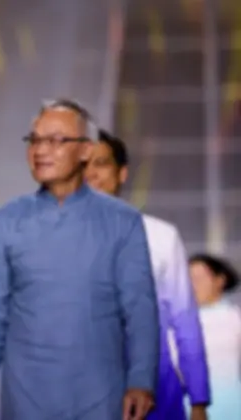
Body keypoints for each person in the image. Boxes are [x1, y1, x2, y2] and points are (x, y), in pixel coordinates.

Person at [0, 99, 160, 420]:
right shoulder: (7, 221)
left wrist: (141, 381)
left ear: (85, 150)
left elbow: (140, 310)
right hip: (26, 397)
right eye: (34, 140)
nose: (41, 150)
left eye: (55, 140)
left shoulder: (122, 222)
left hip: (100, 394)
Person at [85, 130, 211, 420]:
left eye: (101, 163)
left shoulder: (161, 236)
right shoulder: (53, 240)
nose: (91, 173)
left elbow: (185, 322)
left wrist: (199, 401)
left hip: (155, 397)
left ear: (122, 173)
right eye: (83, 165)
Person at [188, 253, 241, 418]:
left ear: (220, 280)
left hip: (229, 408)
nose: (192, 285)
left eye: (198, 279)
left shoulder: (235, 318)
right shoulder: (172, 324)